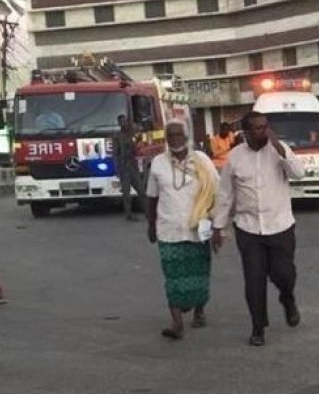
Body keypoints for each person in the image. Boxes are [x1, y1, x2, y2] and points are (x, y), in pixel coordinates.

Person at [212, 111, 306, 347]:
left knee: (284, 274)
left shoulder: (278, 149)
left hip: (280, 226)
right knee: (254, 280)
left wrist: (279, 147)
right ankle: (258, 327)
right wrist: (218, 228)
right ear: (245, 132)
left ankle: (288, 299)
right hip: (248, 229)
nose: (261, 131)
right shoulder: (235, 157)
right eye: (256, 128)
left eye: (264, 126)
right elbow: (225, 195)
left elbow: (299, 173)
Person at [146, 119, 219, 340]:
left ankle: (199, 311)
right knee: (173, 276)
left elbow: (217, 191)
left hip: (199, 228)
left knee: (199, 273)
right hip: (168, 230)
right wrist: (150, 223)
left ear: (186, 137)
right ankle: (177, 323)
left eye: (179, 135)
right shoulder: (158, 163)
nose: (175, 139)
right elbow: (152, 196)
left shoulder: (202, 161)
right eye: (171, 135)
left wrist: (217, 226)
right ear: (167, 139)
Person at [114, 114, 147, 221]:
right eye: (121, 122)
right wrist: (118, 170)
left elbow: (141, 134)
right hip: (124, 167)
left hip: (133, 165)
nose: (123, 123)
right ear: (119, 124)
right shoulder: (117, 136)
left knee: (141, 191)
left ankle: (147, 212)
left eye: (125, 121)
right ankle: (128, 214)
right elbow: (115, 154)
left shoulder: (132, 133)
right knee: (126, 194)